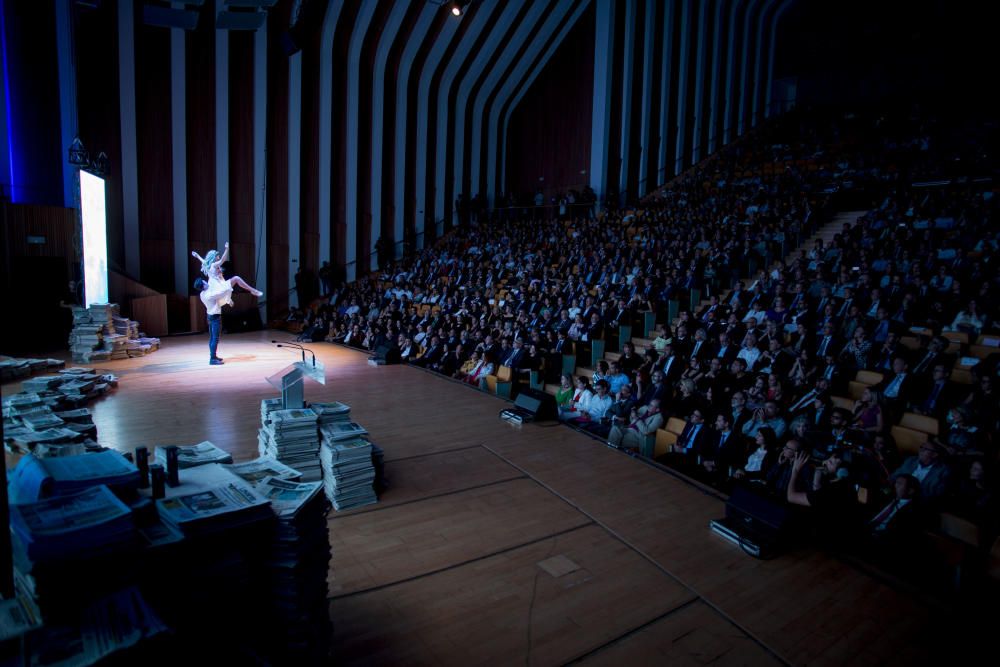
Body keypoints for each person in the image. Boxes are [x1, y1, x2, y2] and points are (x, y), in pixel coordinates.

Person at [192, 242, 263, 365]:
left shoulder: (207, 278)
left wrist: (197, 256)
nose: (219, 260)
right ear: (214, 258)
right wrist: (227, 249)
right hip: (217, 299)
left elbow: (204, 262)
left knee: (213, 337)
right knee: (235, 279)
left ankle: (213, 356)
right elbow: (223, 260)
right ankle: (212, 359)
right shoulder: (212, 271)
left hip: (214, 303)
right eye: (217, 257)